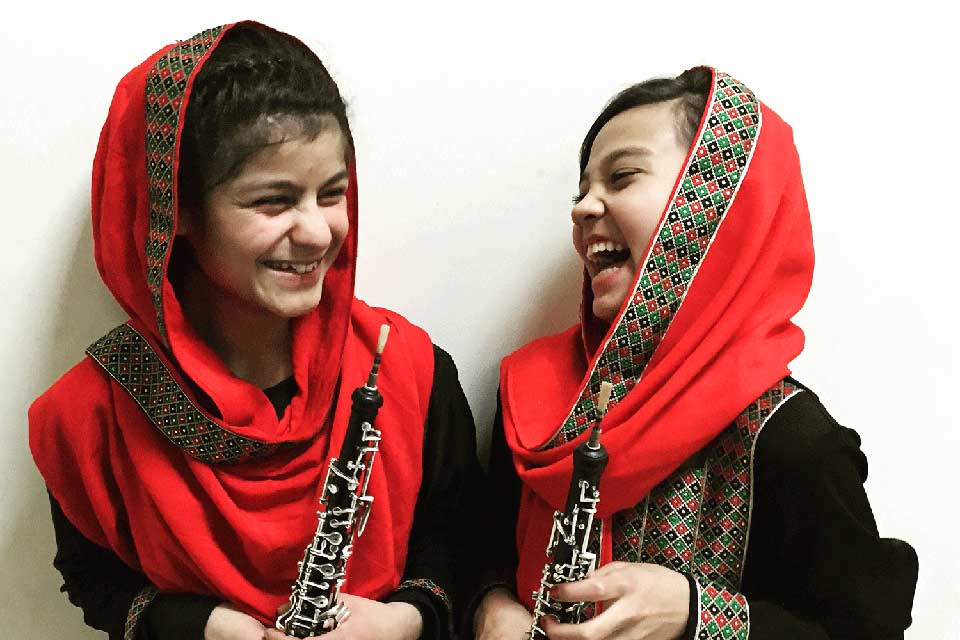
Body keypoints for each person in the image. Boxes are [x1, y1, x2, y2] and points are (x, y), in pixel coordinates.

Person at [29, 21, 480, 640]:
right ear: (176, 212)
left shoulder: (408, 368)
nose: (319, 233)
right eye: (273, 201)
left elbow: (456, 541)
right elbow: (94, 580)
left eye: (332, 194)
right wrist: (204, 627)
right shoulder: (89, 416)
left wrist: (406, 621)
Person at [469, 67, 918, 639]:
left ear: (712, 205)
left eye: (621, 177)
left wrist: (699, 615)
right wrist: (493, 603)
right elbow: (481, 544)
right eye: (581, 191)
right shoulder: (536, 394)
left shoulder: (790, 439)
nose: (583, 209)